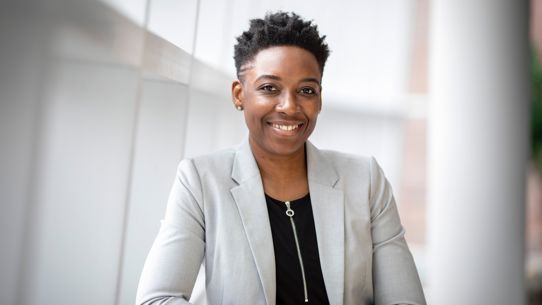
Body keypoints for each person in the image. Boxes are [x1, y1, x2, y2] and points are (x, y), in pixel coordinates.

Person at [136, 11, 426, 305]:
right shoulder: (201, 181)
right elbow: (158, 299)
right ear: (239, 94)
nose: (289, 107)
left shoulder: (366, 180)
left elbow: (405, 300)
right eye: (269, 88)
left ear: (320, 99)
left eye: (306, 90)